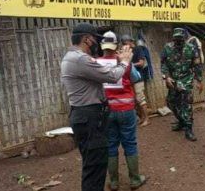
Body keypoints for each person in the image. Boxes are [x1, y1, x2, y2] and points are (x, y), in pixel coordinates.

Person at [60, 23, 133, 191]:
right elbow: (112, 76)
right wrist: (124, 62)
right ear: (87, 39)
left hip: (85, 117)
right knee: (95, 168)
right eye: (95, 40)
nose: (98, 44)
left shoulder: (72, 57)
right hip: (89, 118)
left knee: (93, 166)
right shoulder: (80, 59)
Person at [97, 31, 146, 190]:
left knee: (111, 145)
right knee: (130, 143)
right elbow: (136, 78)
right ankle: (135, 180)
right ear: (116, 46)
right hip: (126, 109)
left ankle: (114, 182)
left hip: (108, 110)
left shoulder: (96, 63)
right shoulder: (125, 62)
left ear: (102, 46)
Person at [161, 28, 203, 141]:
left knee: (187, 104)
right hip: (173, 80)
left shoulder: (191, 48)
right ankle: (181, 121)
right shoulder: (167, 48)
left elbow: (197, 65)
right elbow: (164, 64)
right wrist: (167, 77)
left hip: (186, 79)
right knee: (171, 102)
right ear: (173, 38)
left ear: (184, 38)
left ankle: (189, 129)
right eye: (176, 39)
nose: (178, 41)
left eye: (180, 39)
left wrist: (199, 80)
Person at [121, 34, 150, 127]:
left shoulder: (138, 49)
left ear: (130, 41)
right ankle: (142, 117)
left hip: (139, 78)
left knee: (140, 99)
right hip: (131, 78)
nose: (124, 45)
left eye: (125, 42)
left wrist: (130, 64)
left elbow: (141, 63)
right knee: (136, 100)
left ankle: (147, 119)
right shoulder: (127, 52)